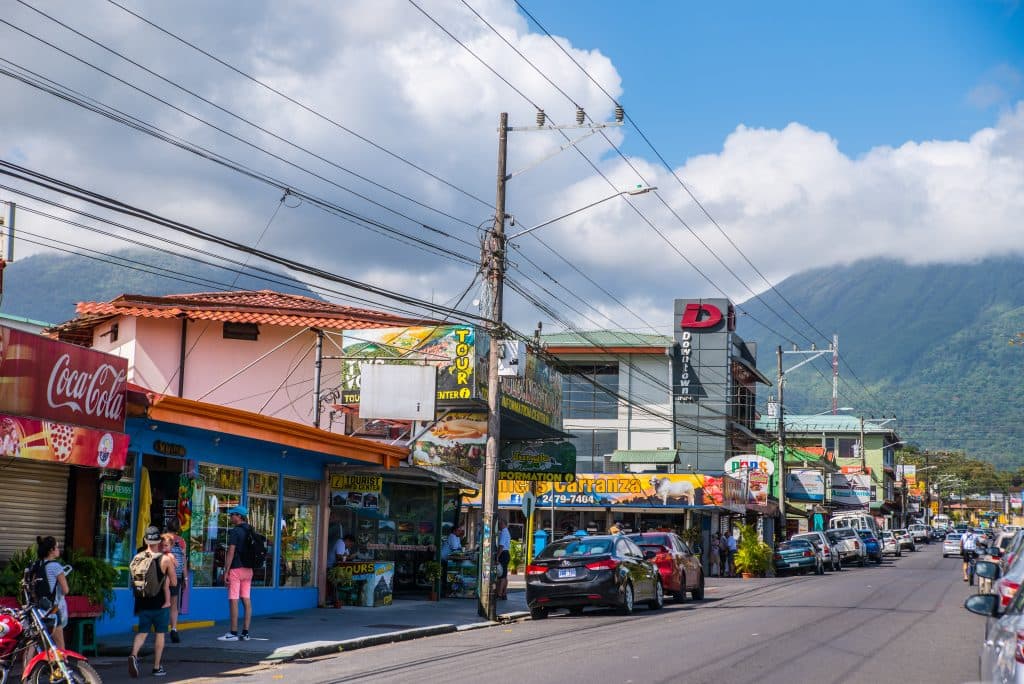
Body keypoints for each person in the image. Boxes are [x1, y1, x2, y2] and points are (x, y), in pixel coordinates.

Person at [128, 526, 176, 678]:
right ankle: (156, 667)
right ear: (158, 541)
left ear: (146, 540)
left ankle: (134, 655)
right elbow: (174, 582)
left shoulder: (138, 557)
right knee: (160, 634)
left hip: (142, 602)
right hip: (161, 603)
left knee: (142, 633)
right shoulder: (165, 559)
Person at [218, 506, 253, 642]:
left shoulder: (236, 531)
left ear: (239, 516)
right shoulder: (250, 529)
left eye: (232, 515)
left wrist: (226, 571)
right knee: (246, 599)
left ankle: (233, 632)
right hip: (248, 570)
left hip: (236, 569)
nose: (230, 517)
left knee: (233, 600)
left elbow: (231, 552)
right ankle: (246, 632)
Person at [35, 536, 69, 651]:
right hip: (51, 609)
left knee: (35, 643)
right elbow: (66, 590)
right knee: (60, 644)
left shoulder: (36, 565)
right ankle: (64, 667)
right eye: (57, 547)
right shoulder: (56, 566)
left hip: (36, 609)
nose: (59, 550)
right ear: (51, 550)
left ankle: (27, 668)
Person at [163, 520, 187, 644]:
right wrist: (185, 578)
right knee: (173, 604)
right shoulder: (181, 541)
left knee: (161, 603)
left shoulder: (163, 539)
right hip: (176, 576)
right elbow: (183, 561)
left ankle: (160, 629)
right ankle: (174, 628)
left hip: (162, 575)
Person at [495, 519, 511, 601]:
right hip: (505, 554)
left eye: (499, 524)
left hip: (503, 554)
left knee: (501, 576)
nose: (498, 526)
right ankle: (503, 593)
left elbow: (501, 546)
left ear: (502, 524)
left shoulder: (504, 532)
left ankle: (500, 593)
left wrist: (497, 556)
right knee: (504, 574)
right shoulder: (504, 532)